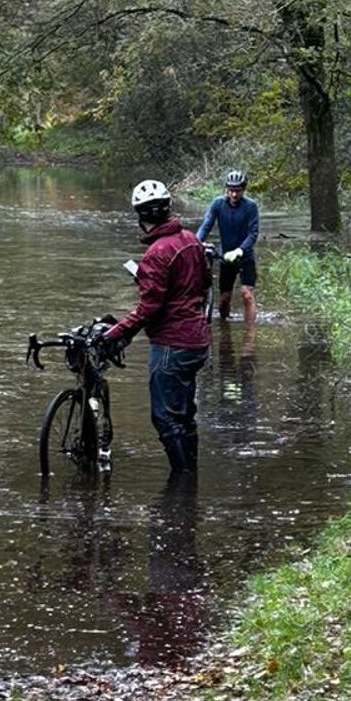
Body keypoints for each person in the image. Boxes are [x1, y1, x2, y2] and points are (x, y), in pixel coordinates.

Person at [103, 179, 211, 475]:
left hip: (171, 345)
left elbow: (149, 307)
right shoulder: (191, 240)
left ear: (141, 217)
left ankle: (183, 484)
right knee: (185, 416)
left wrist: (117, 332)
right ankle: (191, 479)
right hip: (197, 341)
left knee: (165, 418)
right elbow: (204, 283)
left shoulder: (156, 253)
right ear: (168, 209)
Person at [197, 169, 259, 347]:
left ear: (243, 190)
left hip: (245, 255)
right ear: (226, 189)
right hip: (226, 256)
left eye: (237, 190)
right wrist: (194, 242)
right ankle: (225, 332)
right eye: (230, 189)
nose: (234, 194)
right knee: (224, 299)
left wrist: (241, 249)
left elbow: (253, 233)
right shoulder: (218, 204)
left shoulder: (250, 206)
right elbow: (207, 224)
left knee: (247, 294)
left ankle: (250, 337)